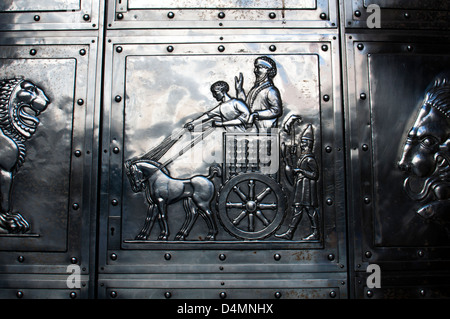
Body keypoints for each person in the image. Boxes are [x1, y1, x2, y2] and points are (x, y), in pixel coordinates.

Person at [276, 124, 320, 240]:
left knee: (310, 210)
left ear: (308, 144)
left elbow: (315, 175)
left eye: (304, 142)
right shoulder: (303, 157)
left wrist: (301, 171)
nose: (302, 144)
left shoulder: (310, 159)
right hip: (302, 186)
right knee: (298, 210)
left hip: (307, 188)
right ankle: (290, 232)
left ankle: (315, 233)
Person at [235, 56, 283, 132]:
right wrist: (239, 90)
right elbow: (246, 107)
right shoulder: (255, 89)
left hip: (266, 132)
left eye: (259, 67)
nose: (255, 70)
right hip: (253, 132)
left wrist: (256, 114)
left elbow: (276, 110)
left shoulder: (271, 90)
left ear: (268, 70)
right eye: (255, 67)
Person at [185, 81, 250, 132]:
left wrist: (222, 124)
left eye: (215, 92)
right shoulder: (220, 107)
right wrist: (193, 123)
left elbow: (246, 118)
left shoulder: (236, 102)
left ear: (223, 92)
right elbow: (208, 115)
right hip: (232, 137)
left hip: (247, 136)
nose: (214, 96)